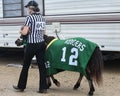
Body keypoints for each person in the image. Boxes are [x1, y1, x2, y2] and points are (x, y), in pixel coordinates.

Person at [13, 1, 47, 93]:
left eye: (28, 8)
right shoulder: (42, 18)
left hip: (32, 44)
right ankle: (43, 88)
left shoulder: (29, 17)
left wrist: (21, 31)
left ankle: (21, 86)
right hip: (41, 44)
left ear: (31, 9)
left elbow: (25, 32)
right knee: (42, 66)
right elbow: (44, 33)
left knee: (26, 66)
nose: (27, 10)